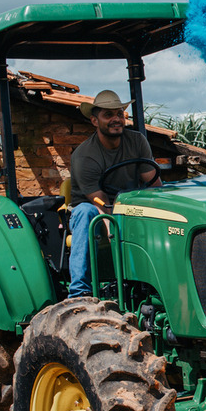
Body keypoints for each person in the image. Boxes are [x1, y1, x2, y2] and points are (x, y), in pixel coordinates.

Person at [67, 89, 161, 297]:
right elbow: (103, 205)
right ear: (94, 121)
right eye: (108, 115)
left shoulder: (137, 141)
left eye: (119, 113)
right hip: (96, 209)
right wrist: (115, 239)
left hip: (129, 203)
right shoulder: (84, 156)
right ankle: (79, 292)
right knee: (85, 213)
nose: (116, 119)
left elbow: (155, 186)